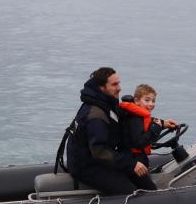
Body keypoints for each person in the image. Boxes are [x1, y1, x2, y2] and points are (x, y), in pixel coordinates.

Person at [66, 67, 156, 195]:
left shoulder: (106, 103)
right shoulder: (96, 115)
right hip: (87, 165)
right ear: (102, 87)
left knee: (146, 184)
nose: (119, 87)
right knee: (130, 192)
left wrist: (160, 123)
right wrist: (131, 164)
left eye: (118, 83)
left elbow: (124, 120)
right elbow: (100, 151)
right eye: (114, 84)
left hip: (100, 159)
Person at [119, 84, 178, 175]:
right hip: (134, 160)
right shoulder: (134, 118)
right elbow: (139, 143)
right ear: (137, 101)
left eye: (153, 101)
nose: (151, 104)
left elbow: (148, 123)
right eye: (147, 100)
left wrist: (163, 123)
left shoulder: (136, 115)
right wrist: (156, 127)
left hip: (136, 157)